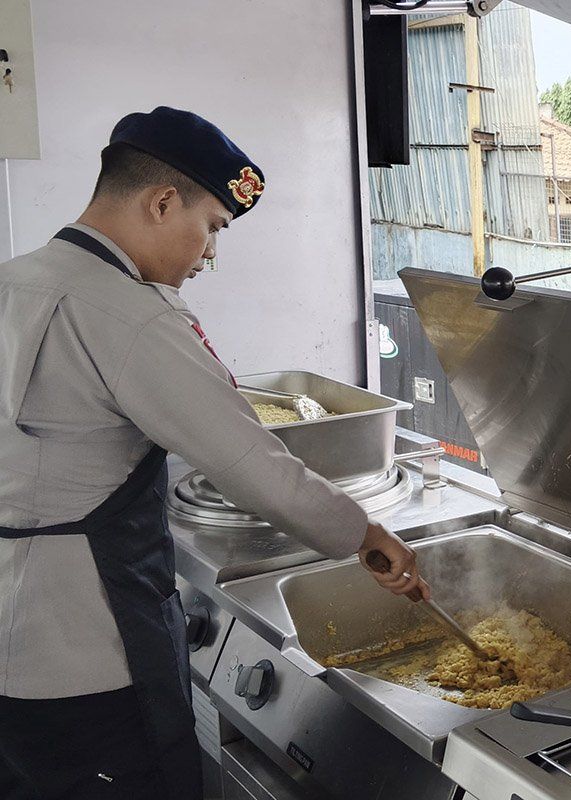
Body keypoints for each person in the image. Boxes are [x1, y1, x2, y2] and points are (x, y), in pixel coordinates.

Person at [0, 107, 428, 800]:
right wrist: (367, 534)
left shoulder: (12, 280)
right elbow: (255, 466)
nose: (208, 256)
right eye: (211, 229)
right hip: (88, 663)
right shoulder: (133, 314)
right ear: (163, 202)